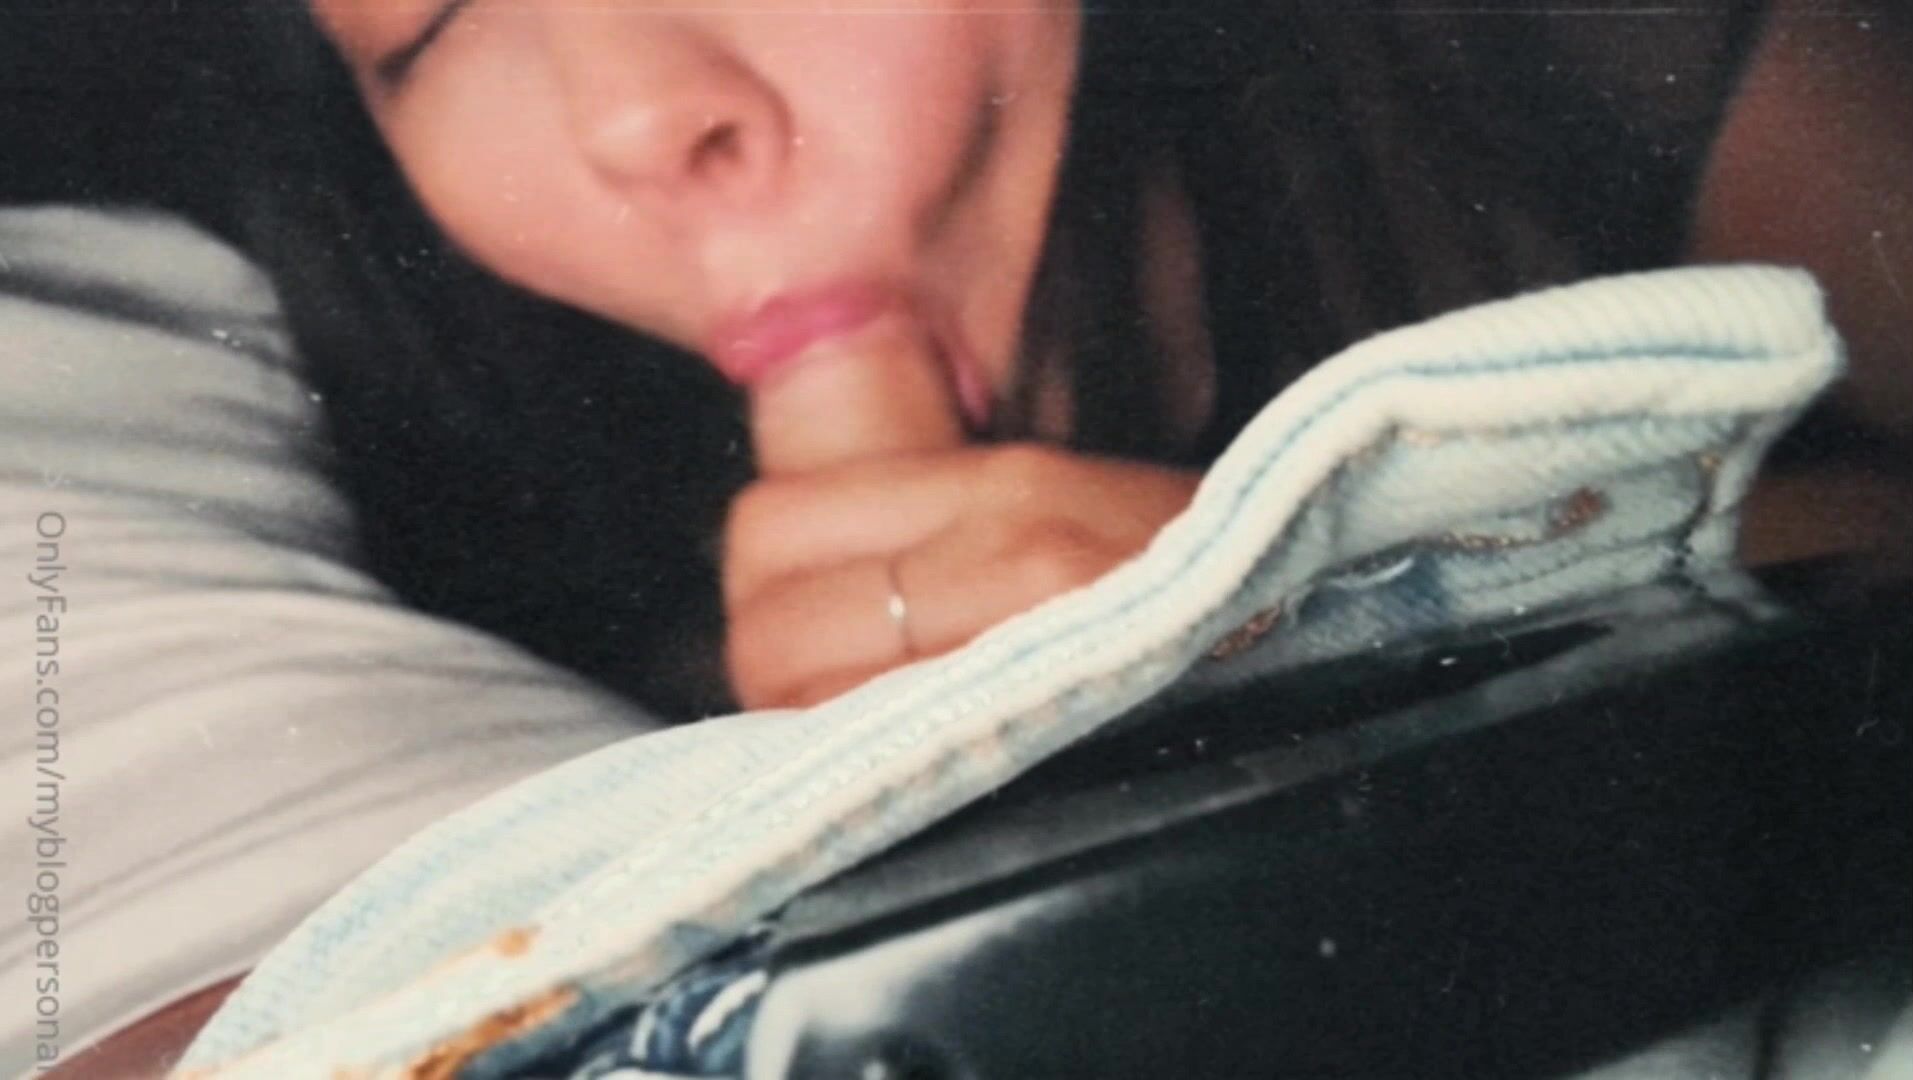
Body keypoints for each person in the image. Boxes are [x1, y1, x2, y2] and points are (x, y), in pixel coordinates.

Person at [2, 1, 1910, 1073]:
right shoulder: (417, 387)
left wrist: (1348, 593)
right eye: (420, 30)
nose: (635, 115)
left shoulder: (1553, 44)